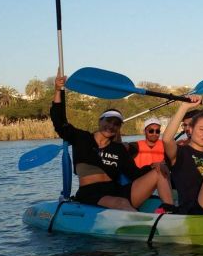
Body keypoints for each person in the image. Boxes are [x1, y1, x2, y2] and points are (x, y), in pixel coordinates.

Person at [50, 73, 174, 211]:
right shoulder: (82, 138)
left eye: (116, 124)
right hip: (90, 192)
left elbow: (134, 174)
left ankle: (169, 209)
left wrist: (153, 166)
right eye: (108, 121)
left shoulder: (119, 149)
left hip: (117, 191)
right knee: (121, 204)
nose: (111, 126)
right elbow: (59, 122)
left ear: (119, 128)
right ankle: (143, 228)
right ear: (100, 121)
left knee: (159, 171)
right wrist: (57, 90)